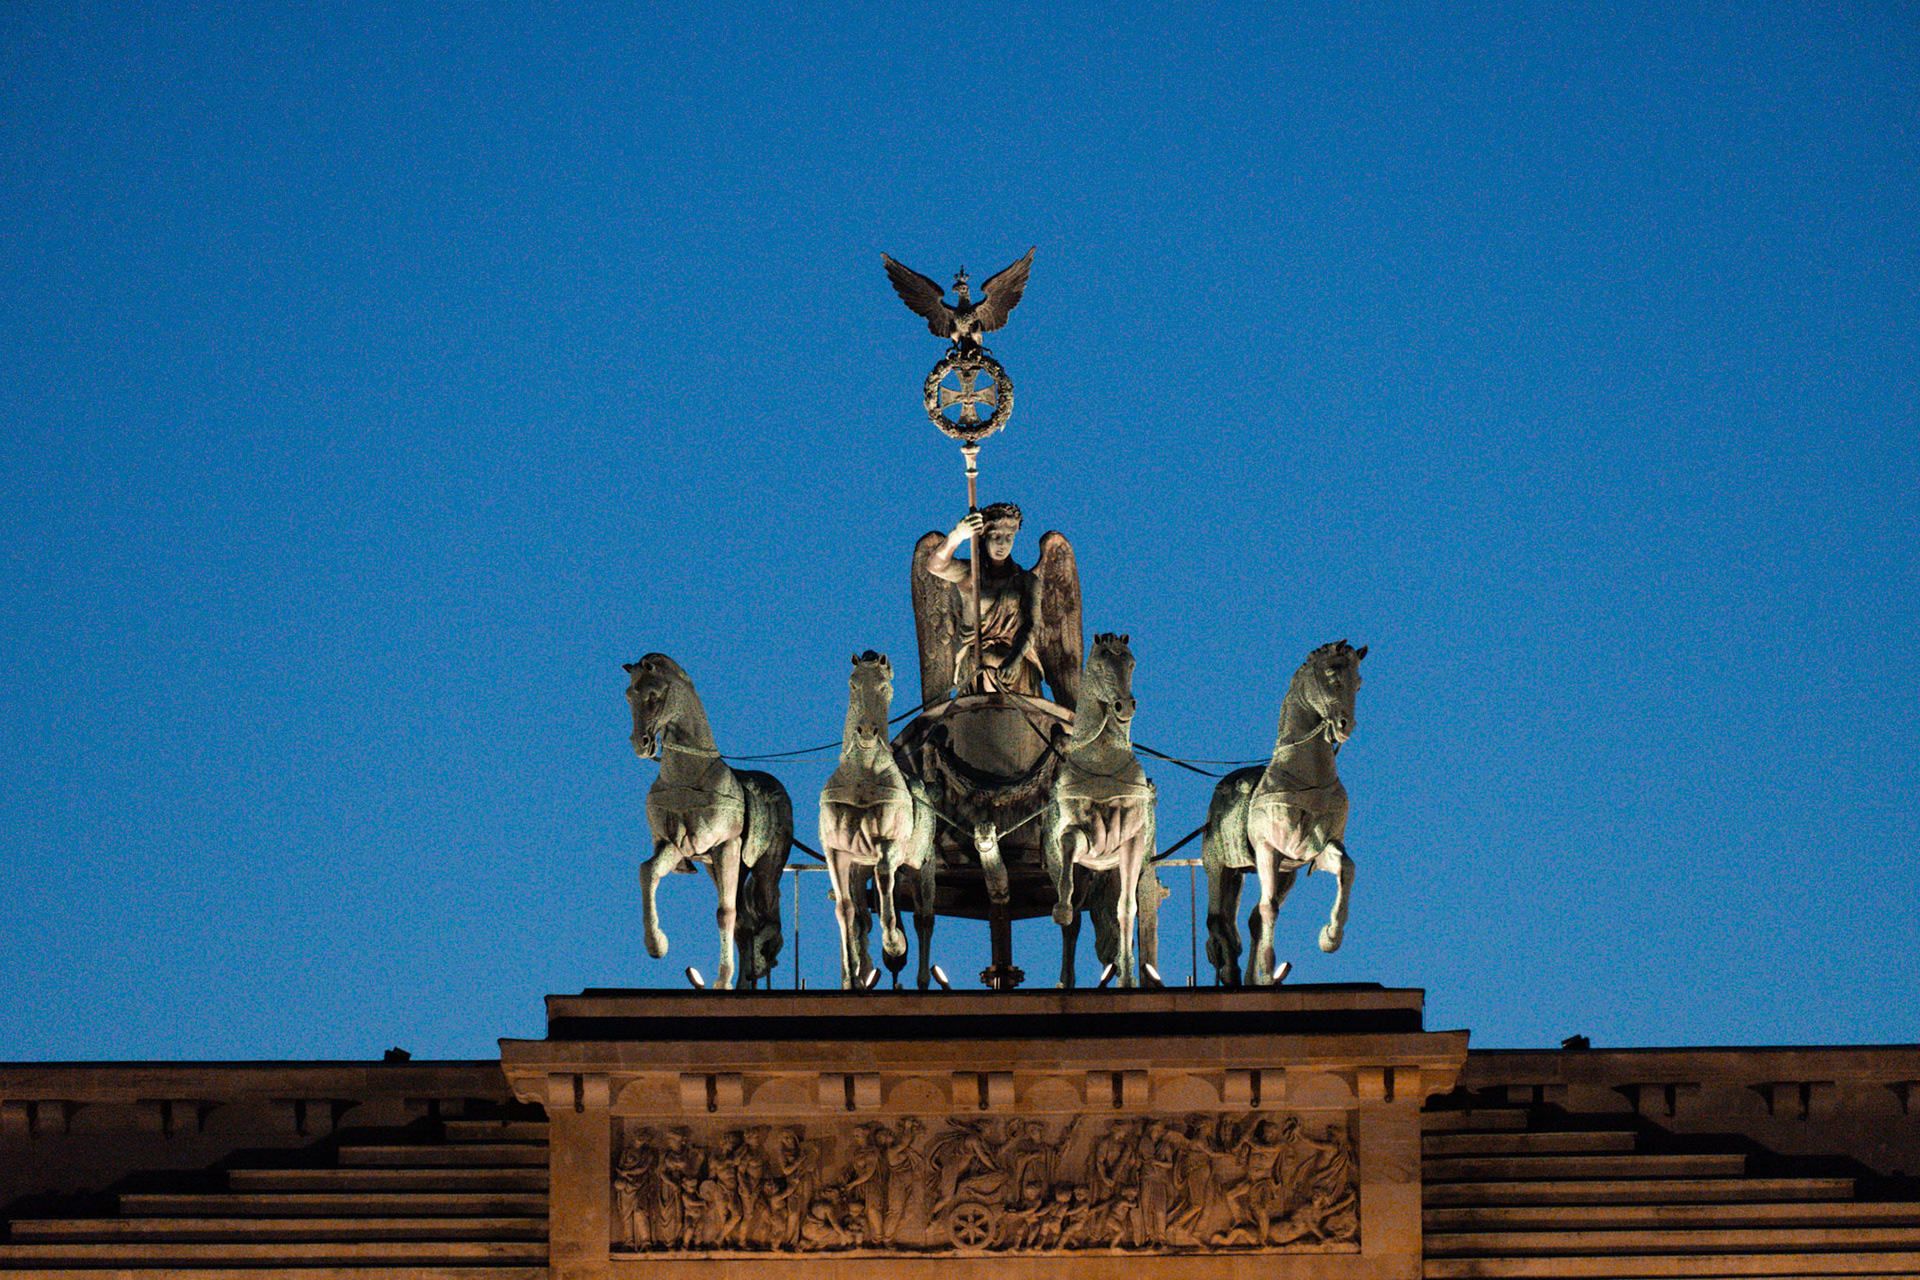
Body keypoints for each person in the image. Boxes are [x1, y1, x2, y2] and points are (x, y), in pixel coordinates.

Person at [925, 503, 1043, 698]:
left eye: (1009, 537)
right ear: (983, 538)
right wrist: (957, 535)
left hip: (1016, 662)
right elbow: (935, 566)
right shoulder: (969, 574)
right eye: (996, 537)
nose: (1002, 544)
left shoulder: (1027, 581)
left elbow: (1031, 625)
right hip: (976, 664)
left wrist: (1015, 659)